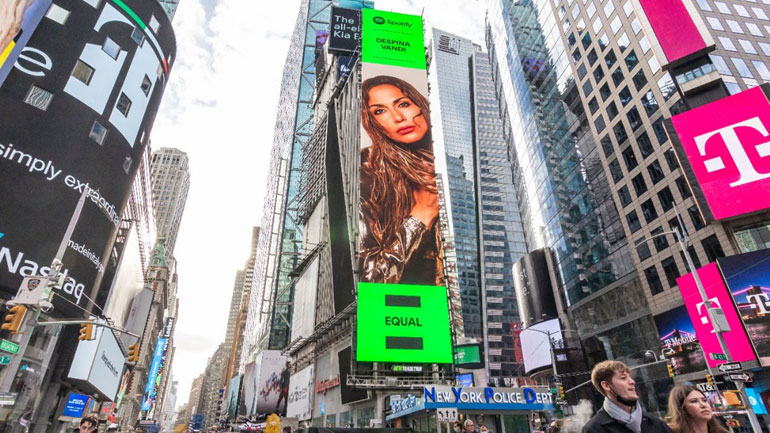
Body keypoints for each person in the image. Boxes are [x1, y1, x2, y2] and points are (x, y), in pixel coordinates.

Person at [359, 75, 445, 286]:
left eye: (403, 104)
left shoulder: (450, 162)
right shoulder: (366, 171)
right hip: (404, 313)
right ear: (372, 122)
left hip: (460, 312)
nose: (398, 117)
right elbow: (372, 281)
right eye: (380, 111)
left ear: (420, 105)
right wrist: (422, 215)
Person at [583, 360, 672, 433]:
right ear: (606, 386)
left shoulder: (654, 422)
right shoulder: (594, 429)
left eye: (630, 377)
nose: (632, 381)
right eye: (623, 378)